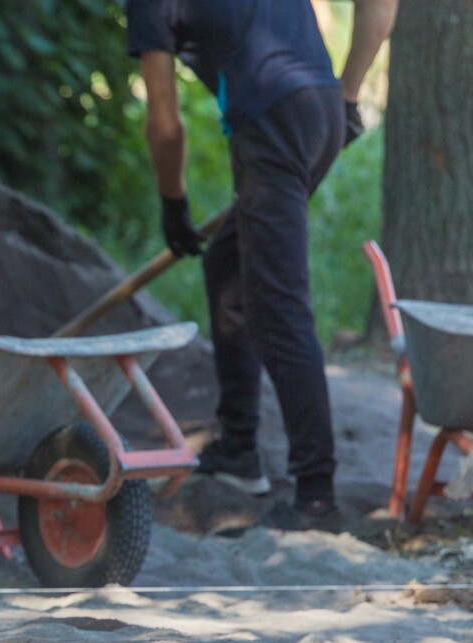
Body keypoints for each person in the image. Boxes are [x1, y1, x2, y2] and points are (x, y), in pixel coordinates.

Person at [127, 0, 400, 529]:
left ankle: (316, 496)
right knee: (228, 265)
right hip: (321, 107)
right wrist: (347, 95)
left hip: (272, 124)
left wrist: (172, 201)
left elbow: (163, 124)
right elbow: (381, 7)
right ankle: (238, 448)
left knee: (278, 306)